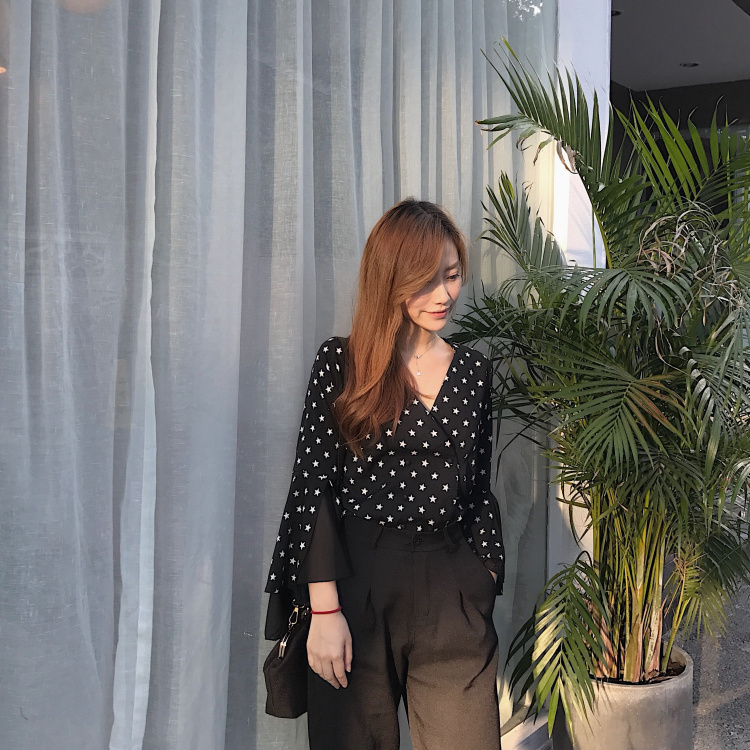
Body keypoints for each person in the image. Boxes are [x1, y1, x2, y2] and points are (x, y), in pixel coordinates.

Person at [264, 199, 505, 750]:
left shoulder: (473, 371)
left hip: (452, 587)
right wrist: (324, 609)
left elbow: (477, 486)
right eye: (426, 280)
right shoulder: (342, 363)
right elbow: (314, 488)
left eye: (452, 275)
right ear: (390, 280)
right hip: (357, 585)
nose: (444, 295)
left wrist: (485, 573)